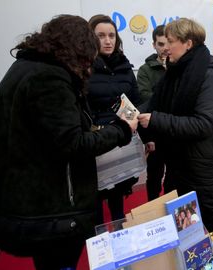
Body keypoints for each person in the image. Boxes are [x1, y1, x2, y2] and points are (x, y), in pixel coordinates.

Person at [0, 15, 137, 270]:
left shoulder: (29, 67)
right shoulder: (49, 78)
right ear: (78, 50)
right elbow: (72, 143)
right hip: (49, 208)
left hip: (33, 198)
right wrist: (120, 130)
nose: (88, 67)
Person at [138, 18, 213, 231]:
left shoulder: (210, 75)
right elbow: (155, 104)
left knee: (211, 224)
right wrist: (133, 113)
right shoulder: (176, 72)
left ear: (188, 43)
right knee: (185, 226)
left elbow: (203, 124)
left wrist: (155, 119)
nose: (166, 47)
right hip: (178, 163)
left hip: (203, 166)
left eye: (170, 41)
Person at [87, 14, 142, 224]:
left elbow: (135, 102)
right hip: (96, 140)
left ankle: (119, 228)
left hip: (124, 138)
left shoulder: (125, 67)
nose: (108, 40)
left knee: (119, 188)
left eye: (111, 35)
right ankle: (99, 237)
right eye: (101, 36)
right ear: (90, 38)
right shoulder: (84, 67)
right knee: (97, 194)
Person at [136, 25, 168, 201]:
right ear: (154, 45)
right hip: (155, 130)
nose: (164, 48)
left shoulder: (180, 66)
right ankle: (154, 206)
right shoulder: (145, 70)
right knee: (155, 174)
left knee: (178, 173)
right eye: (160, 44)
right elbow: (145, 100)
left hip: (176, 129)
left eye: (168, 43)